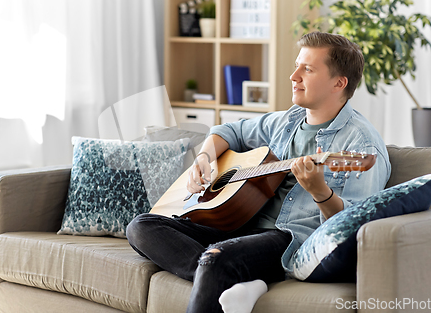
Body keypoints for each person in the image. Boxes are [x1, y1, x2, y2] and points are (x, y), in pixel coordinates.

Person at [126, 31, 391, 313]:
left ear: (339, 83)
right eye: (297, 65)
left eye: (308, 69)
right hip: (240, 223)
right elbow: (229, 130)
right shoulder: (289, 119)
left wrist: (320, 192)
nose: (294, 76)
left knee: (217, 259)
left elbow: (352, 230)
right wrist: (204, 156)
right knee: (142, 226)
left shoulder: (361, 145)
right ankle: (235, 279)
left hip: (289, 237)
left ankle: (221, 270)